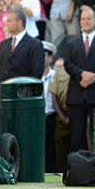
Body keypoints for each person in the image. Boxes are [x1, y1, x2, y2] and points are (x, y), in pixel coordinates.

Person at [64, 6, 95, 152]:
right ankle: (78, 168)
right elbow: (68, 64)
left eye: (89, 18)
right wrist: (81, 75)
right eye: (83, 19)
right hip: (77, 95)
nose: (85, 21)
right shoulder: (71, 43)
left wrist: (93, 76)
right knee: (76, 136)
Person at [0, 8, 44, 104]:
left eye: (9, 21)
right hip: (2, 99)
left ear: (19, 23)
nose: (6, 24)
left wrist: (25, 94)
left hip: (22, 101)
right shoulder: (3, 45)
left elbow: (36, 73)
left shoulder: (34, 45)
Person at [41, 41, 56, 174]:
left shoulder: (56, 75)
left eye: (45, 55)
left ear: (50, 58)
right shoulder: (34, 75)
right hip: (37, 117)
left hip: (51, 116)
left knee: (51, 147)